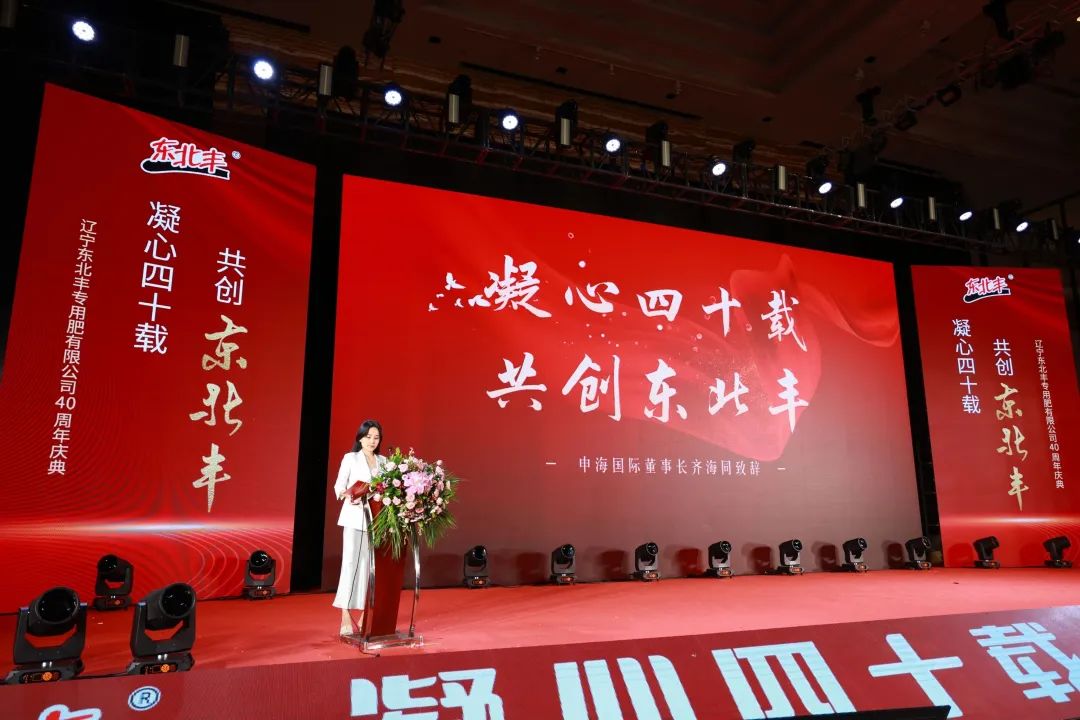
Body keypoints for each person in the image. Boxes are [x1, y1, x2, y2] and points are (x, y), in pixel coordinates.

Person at [332, 419, 385, 637]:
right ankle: (345, 614)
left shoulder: (384, 461)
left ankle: (365, 614)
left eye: (376, 437)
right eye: (368, 437)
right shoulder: (350, 458)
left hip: (376, 520)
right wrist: (348, 494)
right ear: (360, 438)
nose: (372, 441)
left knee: (370, 567)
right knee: (350, 564)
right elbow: (339, 486)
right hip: (354, 517)